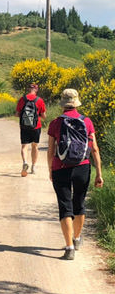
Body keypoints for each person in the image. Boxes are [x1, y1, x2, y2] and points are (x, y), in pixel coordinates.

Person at [47, 89, 104, 260]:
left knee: (65, 206)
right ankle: (77, 238)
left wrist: (51, 169)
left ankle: (69, 248)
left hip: (61, 168)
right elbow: (94, 149)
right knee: (79, 203)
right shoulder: (87, 122)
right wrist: (99, 173)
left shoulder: (56, 123)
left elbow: (51, 151)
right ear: (77, 102)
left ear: (63, 104)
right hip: (83, 167)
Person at [15, 83, 46, 176]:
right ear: (36, 90)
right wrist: (38, 115)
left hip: (24, 126)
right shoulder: (39, 100)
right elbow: (44, 116)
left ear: (28, 89)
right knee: (34, 146)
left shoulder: (22, 99)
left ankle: (25, 162)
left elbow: (17, 114)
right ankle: (33, 166)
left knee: (24, 146)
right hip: (36, 126)